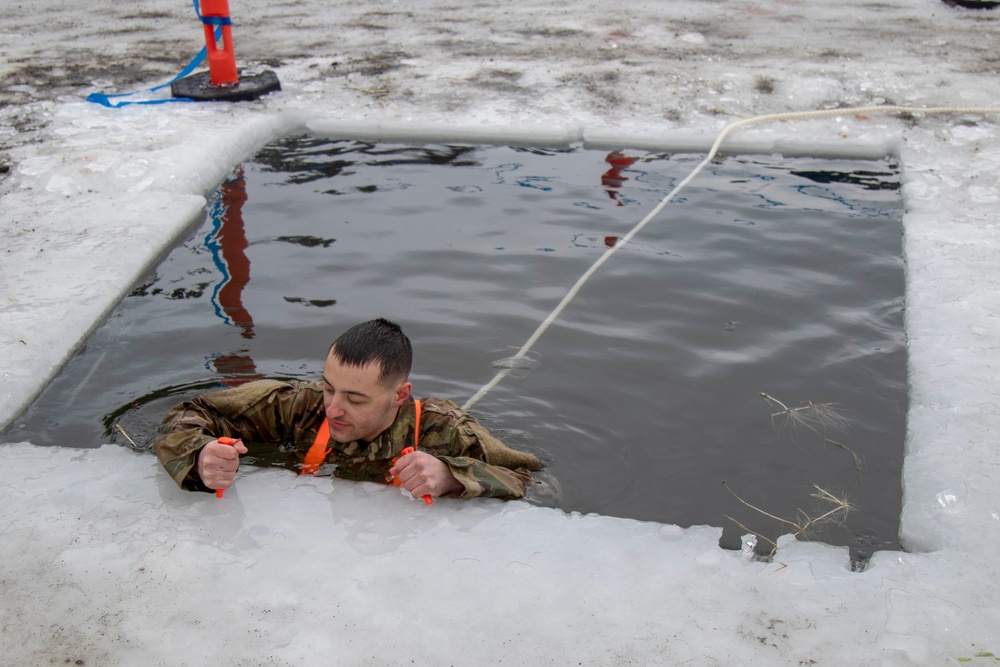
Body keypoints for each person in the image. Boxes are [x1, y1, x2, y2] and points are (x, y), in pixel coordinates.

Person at [154, 318, 542, 500]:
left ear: (399, 395)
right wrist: (200, 453)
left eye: (356, 399)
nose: (334, 409)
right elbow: (188, 413)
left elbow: (534, 481)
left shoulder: (447, 431)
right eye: (328, 388)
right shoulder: (298, 406)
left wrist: (453, 476)